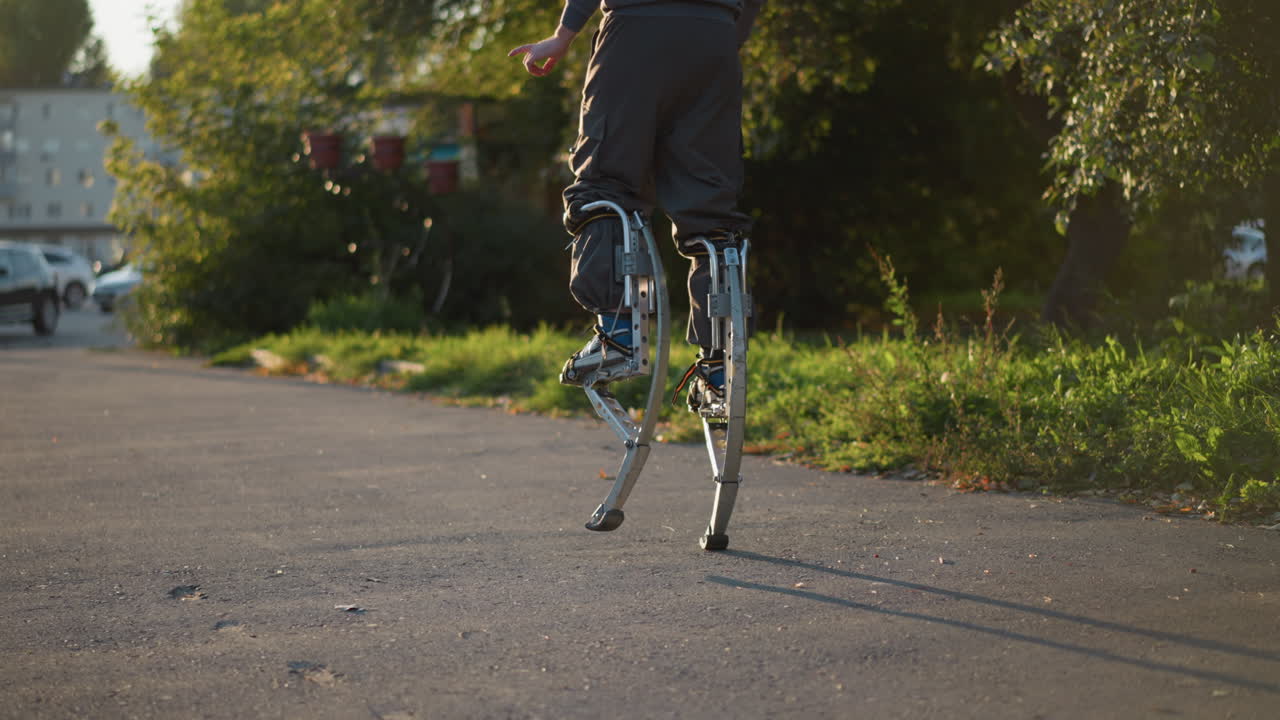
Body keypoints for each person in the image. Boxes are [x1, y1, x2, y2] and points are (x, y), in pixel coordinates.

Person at [509, 0, 764, 411]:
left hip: (636, 28)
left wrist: (563, 35)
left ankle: (619, 333)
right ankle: (720, 366)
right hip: (715, 34)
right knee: (711, 208)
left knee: (605, 179)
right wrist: (722, 35)